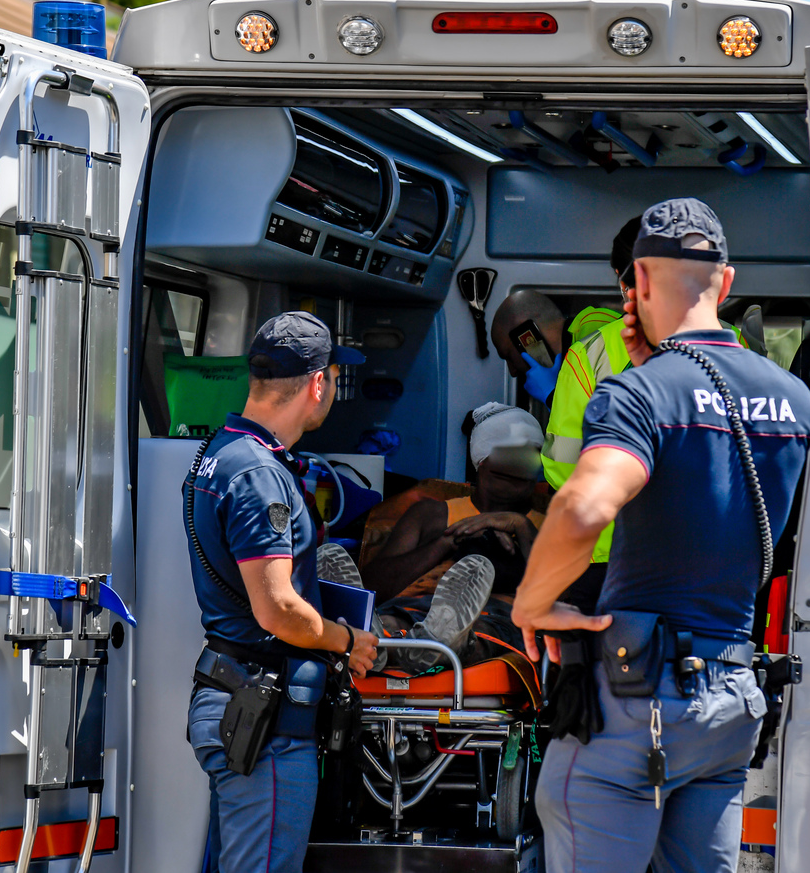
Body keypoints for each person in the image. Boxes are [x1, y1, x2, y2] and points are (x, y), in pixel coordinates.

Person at [512, 198, 810, 873]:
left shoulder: (638, 393)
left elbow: (585, 506)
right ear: (726, 283)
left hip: (634, 706)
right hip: (729, 707)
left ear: (638, 282)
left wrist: (531, 601)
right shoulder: (793, 401)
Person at [184, 311, 379, 873]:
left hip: (244, 700)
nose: (335, 390)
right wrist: (346, 641)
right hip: (265, 721)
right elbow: (275, 609)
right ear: (317, 383)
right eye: (336, 379)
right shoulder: (256, 475)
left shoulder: (223, 453)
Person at [318, 403, 546, 671]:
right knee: (393, 619)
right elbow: (375, 586)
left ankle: (439, 644)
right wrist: (448, 541)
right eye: (502, 474)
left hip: (496, 616)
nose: (512, 485)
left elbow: (554, 594)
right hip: (410, 607)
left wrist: (519, 524)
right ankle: (374, 638)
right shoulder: (432, 513)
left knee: (485, 631)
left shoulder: (546, 522)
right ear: (480, 465)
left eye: (523, 477)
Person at [539, 218, 640, 601]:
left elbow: (561, 466)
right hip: (704, 560)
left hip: (606, 561)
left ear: (620, 276)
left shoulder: (591, 354)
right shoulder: (732, 343)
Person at [490, 289, 621, 403]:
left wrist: (551, 396)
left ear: (527, 334)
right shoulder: (569, 363)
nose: (512, 371)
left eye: (509, 356)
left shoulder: (596, 330)